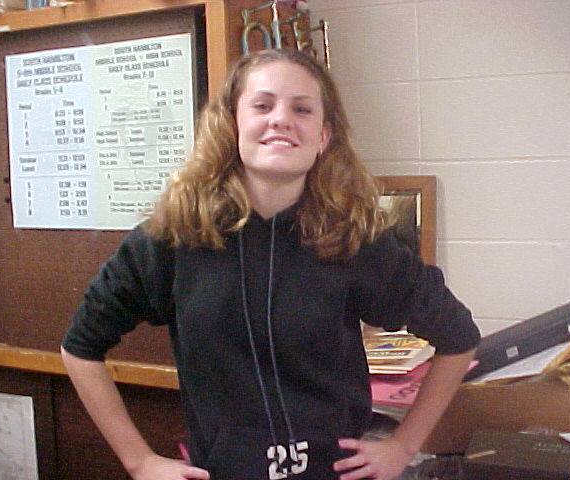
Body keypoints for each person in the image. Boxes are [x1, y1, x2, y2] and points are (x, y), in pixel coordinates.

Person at [61, 48, 480, 480]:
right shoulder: (173, 239)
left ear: (323, 137)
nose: (281, 119)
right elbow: (80, 348)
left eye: (302, 109)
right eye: (262, 105)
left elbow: (459, 337)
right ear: (232, 125)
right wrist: (139, 460)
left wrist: (403, 446)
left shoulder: (353, 240)